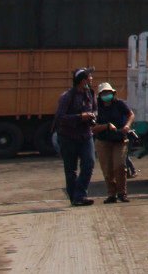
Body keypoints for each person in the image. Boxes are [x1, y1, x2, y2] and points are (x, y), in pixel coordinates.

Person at [54, 68, 97, 206]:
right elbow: (60, 117)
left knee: (89, 163)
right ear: (83, 81)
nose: (91, 79)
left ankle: (80, 194)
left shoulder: (90, 93)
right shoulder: (67, 96)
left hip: (85, 135)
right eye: (89, 77)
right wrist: (79, 117)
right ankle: (75, 197)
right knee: (71, 169)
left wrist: (92, 116)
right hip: (68, 137)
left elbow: (95, 109)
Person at [92, 82, 134, 204]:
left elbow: (130, 114)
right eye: (104, 93)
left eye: (108, 93)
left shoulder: (119, 104)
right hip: (103, 140)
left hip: (119, 140)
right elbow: (92, 127)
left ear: (113, 93)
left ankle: (122, 192)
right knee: (107, 168)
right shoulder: (96, 108)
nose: (106, 95)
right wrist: (106, 126)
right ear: (100, 95)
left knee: (120, 165)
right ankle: (111, 194)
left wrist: (127, 125)